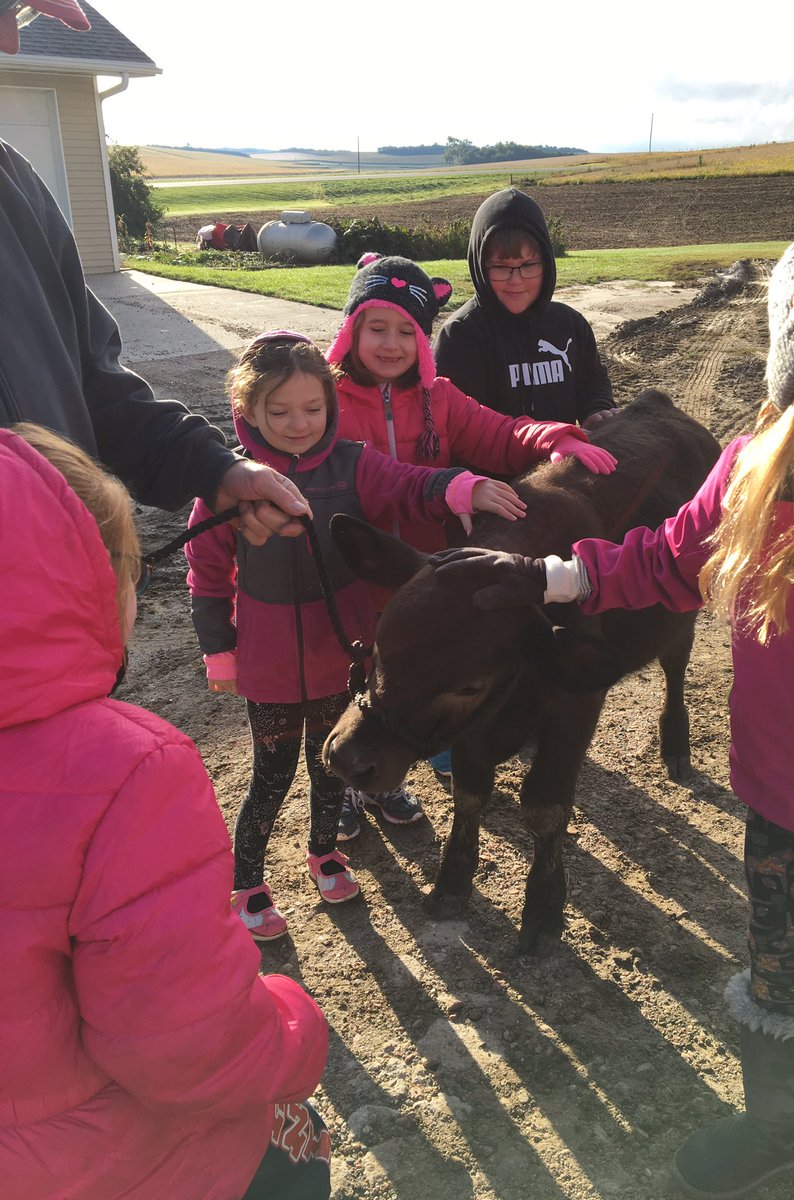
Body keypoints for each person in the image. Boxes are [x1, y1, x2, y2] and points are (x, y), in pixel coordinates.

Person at [431, 155, 794, 1198]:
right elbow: (663, 560)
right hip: (782, 797)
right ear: (793, 376)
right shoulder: (752, 479)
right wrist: (558, 574)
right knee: (778, 964)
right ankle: (783, 1123)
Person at [0, 421, 331, 1200]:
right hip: (121, 1166)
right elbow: (185, 1049)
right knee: (297, 1147)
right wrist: (294, 1027)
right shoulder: (125, 771)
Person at [185, 331, 527, 926]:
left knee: (332, 764)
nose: (299, 424)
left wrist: (458, 485)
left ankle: (324, 853)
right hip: (268, 663)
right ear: (248, 412)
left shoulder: (352, 463)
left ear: (331, 404)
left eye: (312, 408)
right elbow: (206, 571)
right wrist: (219, 649)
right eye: (279, 411)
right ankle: (248, 881)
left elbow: (407, 482)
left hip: (343, 655)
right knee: (270, 777)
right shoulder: (230, 484)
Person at [0, 0, 307, 546]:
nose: (10, 43)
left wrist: (212, 469)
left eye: (15, 16)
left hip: (72, 577)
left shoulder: (14, 183)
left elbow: (93, 382)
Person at [325, 250, 617, 816]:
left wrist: (553, 438)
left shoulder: (439, 398)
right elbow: (344, 465)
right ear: (350, 331)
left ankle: (402, 765)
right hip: (355, 564)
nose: (391, 345)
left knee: (424, 667)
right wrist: (451, 485)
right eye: (376, 328)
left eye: (406, 332)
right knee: (357, 669)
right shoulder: (326, 401)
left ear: (423, 340)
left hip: (426, 572)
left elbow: (500, 432)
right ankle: (349, 782)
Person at [432, 187, 616, 427]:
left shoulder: (570, 325)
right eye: (501, 267)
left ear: (546, 263)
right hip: (495, 453)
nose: (516, 280)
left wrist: (597, 410)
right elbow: (459, 427)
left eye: (528, 265)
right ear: (480, 266)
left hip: (564, 451)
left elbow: (593, 385)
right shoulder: (460, 336)